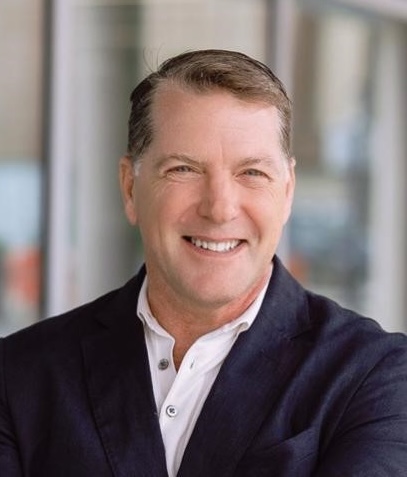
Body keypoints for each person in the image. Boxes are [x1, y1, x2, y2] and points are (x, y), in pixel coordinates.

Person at [0, 49, 406, 477]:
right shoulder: (19, 377)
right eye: (184, 169)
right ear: (129, 187)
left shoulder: (373, 377)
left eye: (252, 173)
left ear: (286, 193)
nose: (220, 208)